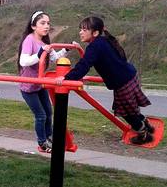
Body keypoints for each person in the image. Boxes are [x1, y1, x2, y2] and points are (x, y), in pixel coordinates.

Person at [57, 16, 154, 145]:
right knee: (130, 107)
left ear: (95, 33)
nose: (80, 32)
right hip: (129, 75)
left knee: (126, 112)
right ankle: (146, 124)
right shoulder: (103, 41)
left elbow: (84, 65)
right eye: (80, 29)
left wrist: (65, 78)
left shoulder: (94, 47)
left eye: (84, 30)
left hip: (122, 82)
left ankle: (144, 135)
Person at [17, 11, 69, 153]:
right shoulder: (29, 39)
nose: (46, 26)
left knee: (49, 112)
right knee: (41, 115)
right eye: (42, 23)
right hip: (28, 87)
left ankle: (49, 138)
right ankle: (42, 142)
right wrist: (40, 53)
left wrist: (66, 49)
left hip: (39, 84)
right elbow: (24, 61)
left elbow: (55, 58)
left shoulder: (45, 42)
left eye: (48, 23)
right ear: (34, 26)